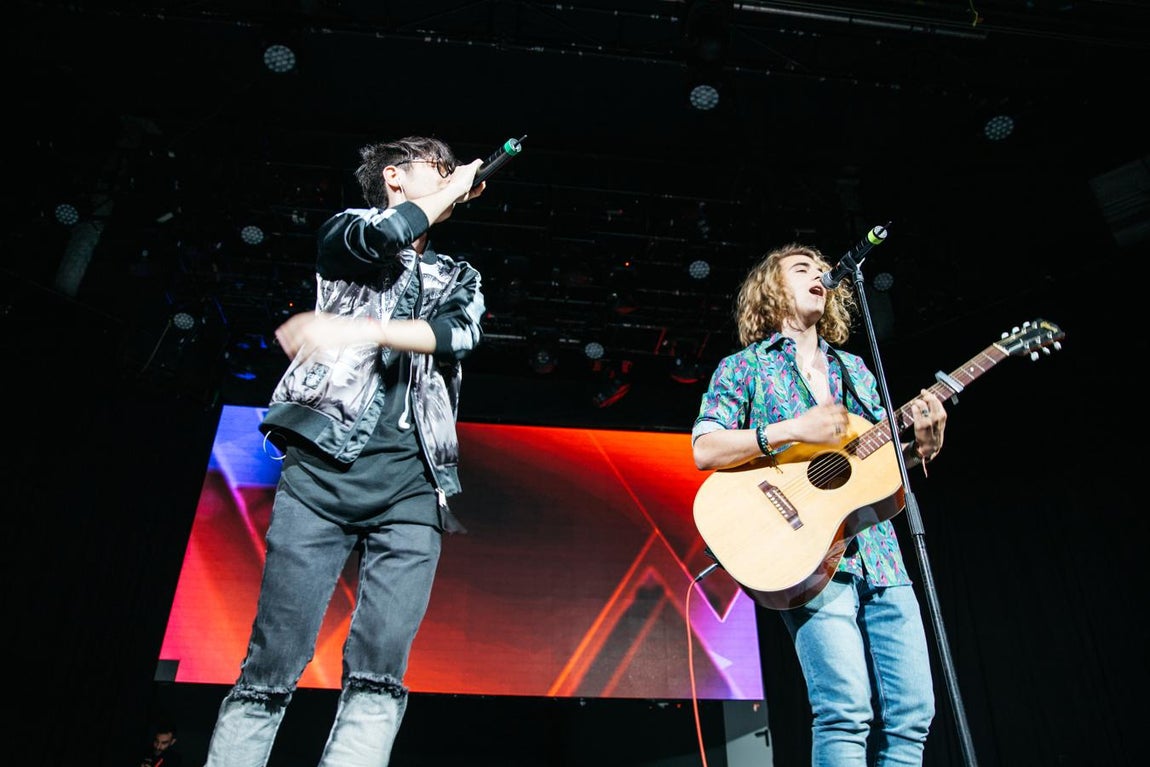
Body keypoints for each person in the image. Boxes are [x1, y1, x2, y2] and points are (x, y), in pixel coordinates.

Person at [202, 135, 487, 767]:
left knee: (382, 664)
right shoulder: (348, 233)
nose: (451, 178)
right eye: (436, 170)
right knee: (274, 658)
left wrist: (354, 330)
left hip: (413, 480)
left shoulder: (459, 275)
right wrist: (450, 187)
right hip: (320, 473)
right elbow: (379, 241)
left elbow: (456, 335)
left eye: (452, 172)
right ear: (394, 178)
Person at [691, 242, 947, 765]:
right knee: (846, 710)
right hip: (807, 553)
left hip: (880, 553)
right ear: (772, 290)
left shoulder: (853, 368)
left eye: (824, 270)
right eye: (802, 268)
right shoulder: (744, 368)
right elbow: (705, 447)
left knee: (913, 716)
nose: (820, 274)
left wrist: (921, 446)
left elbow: (877, 463)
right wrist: (790, 431)